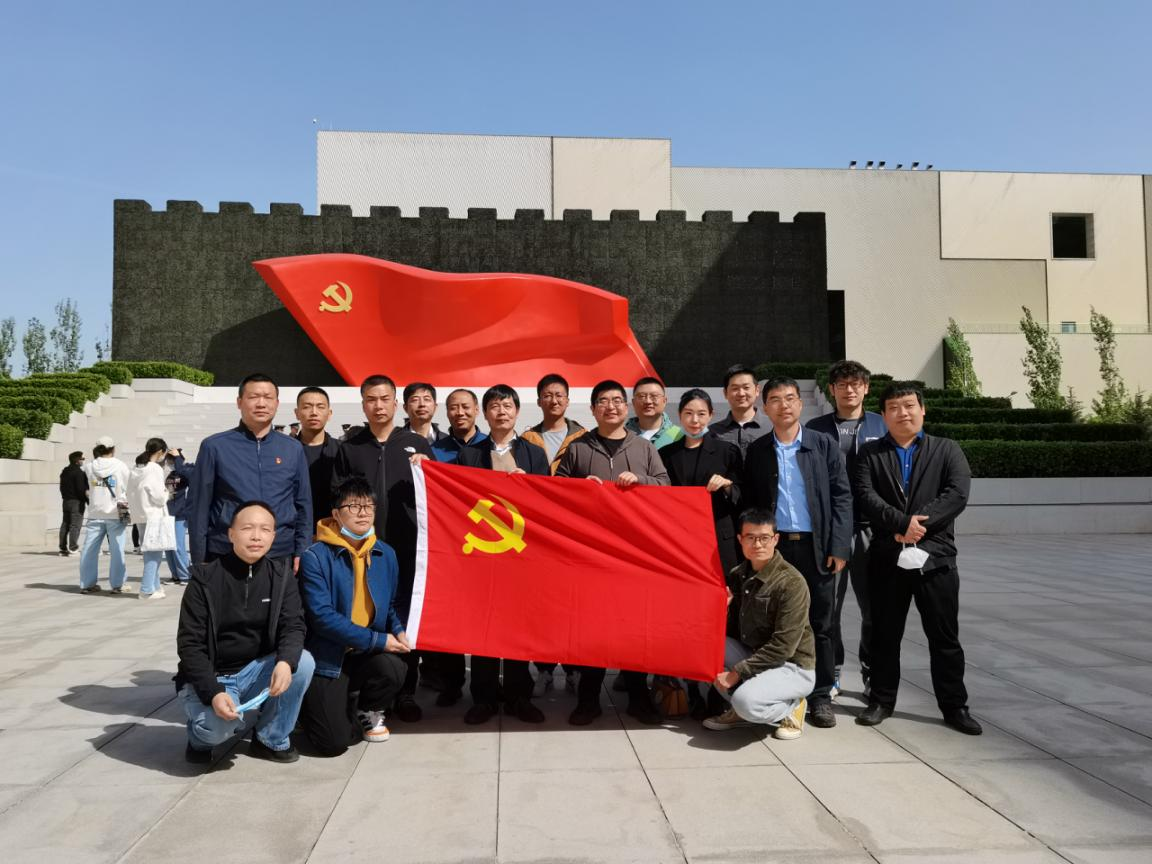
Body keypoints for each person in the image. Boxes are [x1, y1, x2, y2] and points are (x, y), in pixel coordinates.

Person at [852, 382, 982, 735]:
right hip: (887, 558)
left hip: (936, 558)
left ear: (922, 410)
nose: (902, 413)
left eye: (909, 405)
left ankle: (954, 706)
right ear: (884, 415)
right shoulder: (870, 454)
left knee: (944, 637)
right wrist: (900, 524)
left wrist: (917, 526)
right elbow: (865, 495)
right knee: (884, 635)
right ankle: (881, 700)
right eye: (893, 407)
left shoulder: (946, 449)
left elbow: (957, 494)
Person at [556, 379, 669, 726]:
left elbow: (666, 486)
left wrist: (641, 481)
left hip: (634, 555)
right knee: (592, 628)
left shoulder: (643, 448)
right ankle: (588, 699)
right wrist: (579, 488)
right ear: (593, 409)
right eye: (603, 401)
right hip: (591, 556)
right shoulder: (577, 448)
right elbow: (555, 492)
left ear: (626, 406)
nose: (611, 407)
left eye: (617, 400)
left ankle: (638, 697)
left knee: (633, 627)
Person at [743, 376, 852, 730]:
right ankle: (783, 690)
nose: (784, 405)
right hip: (776, 550)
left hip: (816, 546)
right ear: (765, 408)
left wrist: (839, 545)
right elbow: (752, 503)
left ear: (800, 404)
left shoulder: (823, 445)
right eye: (775, 399)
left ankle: (820, 695)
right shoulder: (758, 451)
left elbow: (842, 496)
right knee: (777, 621)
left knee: (821, 622)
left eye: (790, 398)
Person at [176, 501, 315, 764]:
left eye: (265, 529)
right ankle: (198, 738)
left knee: (303, 662)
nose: (256, 536)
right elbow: (189, 645)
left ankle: (270, 739)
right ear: (231, 534)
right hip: (216, 674)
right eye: (247, 528)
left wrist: (285, 662)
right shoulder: (205, 579)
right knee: (218, 729)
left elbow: (294, 625)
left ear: (273, 536)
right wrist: (214, 692)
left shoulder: (281, 576)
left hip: (255, 671)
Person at [332, 374, 434, 723]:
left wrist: (428, 470)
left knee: (405, 619)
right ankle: (372, 693)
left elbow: (437, 495)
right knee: (368, 615)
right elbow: (338, 498)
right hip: (364, 550)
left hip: (408, 550)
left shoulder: (416, 443)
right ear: (363, 404)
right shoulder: (350, 447)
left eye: (385, 399)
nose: (378, 406)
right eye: (371, 399)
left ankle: (405, 691)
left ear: (396, 403)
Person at [455, 384, 549, 725]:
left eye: (507, 405)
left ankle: (518, 696)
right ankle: (483, 698)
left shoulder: (534, 455)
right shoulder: (470, 455)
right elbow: (459, 502)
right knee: (483, 628)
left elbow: (549, 505)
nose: (501, 412)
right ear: (485, 413)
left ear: (518, 411)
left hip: (521, 557)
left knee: (518, 629)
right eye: (494, 406)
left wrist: (530, 488)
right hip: (483, 555)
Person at [299, 478, 412, 754]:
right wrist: (379, 640)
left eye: (368, 506)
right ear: (336, 514)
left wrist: (398, 630)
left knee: (395, 669)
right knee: (335, 743)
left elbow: (392, 604)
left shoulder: (386, 553)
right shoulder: (315, 556)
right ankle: (315, 705)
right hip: (330, 656)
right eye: (353, 506)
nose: (363, 513)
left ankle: (368, 708)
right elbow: (322, 617)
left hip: (366, 652)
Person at [806, 360, 887, 697]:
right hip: (831, 530)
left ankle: (870, 671)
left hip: (872, 529)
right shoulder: (816, 428)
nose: (849, 390)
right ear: (832, 390)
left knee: (874, 608)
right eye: (842, 385)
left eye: (855, 384)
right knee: (828, 608)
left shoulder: (882, 425)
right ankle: (833, 670)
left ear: (866, 388)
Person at [703, 509, 815, 738]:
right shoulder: (738, 575)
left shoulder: (791, 582)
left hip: (792, 666)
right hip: (756, 656)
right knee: (705, 648)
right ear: (740, 539)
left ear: (776, 539)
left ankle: (792, 706)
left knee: (745, 702)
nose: (757, 544)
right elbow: (732, 631)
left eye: (764, 538)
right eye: (751, 537)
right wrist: (724, 609)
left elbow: (784, 646)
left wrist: (737, 672)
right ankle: (742, 711)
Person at [188, 374, 313, 570]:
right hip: (226, 551)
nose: (261, 403)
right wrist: (199, 559)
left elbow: (303, 504)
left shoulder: (292, 448)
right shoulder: (215, 446)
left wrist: (302, 550)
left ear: (277, 403)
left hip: (280, 552)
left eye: (268, 397)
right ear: (239, 402)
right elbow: (199, 507)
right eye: (253, 397)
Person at [658, 388, 743, 576]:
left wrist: (727, 486)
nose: (695, 420)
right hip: (680, 537)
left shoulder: (727, 452)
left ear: (711, 415)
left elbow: (742, 494)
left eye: (701, 414)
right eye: (688, 413)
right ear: (679, 415)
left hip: (718, 537)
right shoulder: (667, 454)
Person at [78, 437, 131, 594]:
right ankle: (118, 584)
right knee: (117, 550)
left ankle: (87, 584)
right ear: (113, 449)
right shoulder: (120, 465)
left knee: (89, 550)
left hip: (95, 512)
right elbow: (128, 486)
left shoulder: (90, 466)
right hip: (115, 512)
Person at [128, 437, 171, 599]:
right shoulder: (154, 468)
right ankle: (146, 590)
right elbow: (158, 496)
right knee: (154, 555)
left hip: (140, 515)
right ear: (160, 451)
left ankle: (155, 586)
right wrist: (166, 494)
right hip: (153, 515)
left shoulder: (137, 468)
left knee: (150, 553)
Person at [521, 373, 586, 474]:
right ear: (539, 402)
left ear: (567, 401)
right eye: (547, 396)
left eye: (559, 395)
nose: (554, 401)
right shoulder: (527, 438)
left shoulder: (583, 437)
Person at [295, 386, 340, 529]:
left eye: (320, 407)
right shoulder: (286, 450)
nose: (314, 412)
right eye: (307, 407)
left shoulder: (341, 451)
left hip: (334, 530)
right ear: (297, 413)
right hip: (295, 529)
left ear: (329, 413)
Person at [709, 364, 769, 456]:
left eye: (746, 387)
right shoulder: (713, 432)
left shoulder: (773, 427)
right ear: (725, 393)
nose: (741, 393)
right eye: (735, 388)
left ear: (757, 390)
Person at [625, 377, 684, 448]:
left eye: (654, 396)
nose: (648, 401)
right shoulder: (621, 435)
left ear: (664, 401)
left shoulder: (679, 435)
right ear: (633, 402)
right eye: (642, 396)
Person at [432, 388, 488, 463]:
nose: (460, 413)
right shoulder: (434, 451)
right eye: (453, 408)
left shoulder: (491, 447)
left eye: (466, 407)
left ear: (476, 410)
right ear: (447, 413)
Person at [164, 447, 193, 585]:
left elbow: (188, 476)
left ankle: (185, 575)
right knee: (168, 547)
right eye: (169, 460)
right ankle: (175, 575)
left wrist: (178, 459)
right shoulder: (169, 475)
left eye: (171, 460)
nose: (169, 463)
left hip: (180, 514)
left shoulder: (185, 472)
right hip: (167, 513)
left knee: (178, 546)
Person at [401, 382, 449, 449]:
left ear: (435, 407)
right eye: (415, 400)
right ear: (405, 408)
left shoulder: (448, 442)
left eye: (427, 399)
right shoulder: (394, 441)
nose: (422, 404)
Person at [58, 450, 87, 556]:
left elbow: (61, 487)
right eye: (82, 459)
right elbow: (81, 489)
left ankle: (63, 549)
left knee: (65, 524)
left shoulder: (64, 472)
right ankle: (73, 548)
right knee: (75, 525)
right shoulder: (79, 472)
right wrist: (86, 500)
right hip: (76, 502)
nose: (83, 461)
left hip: (66, 501)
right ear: (77, 460)